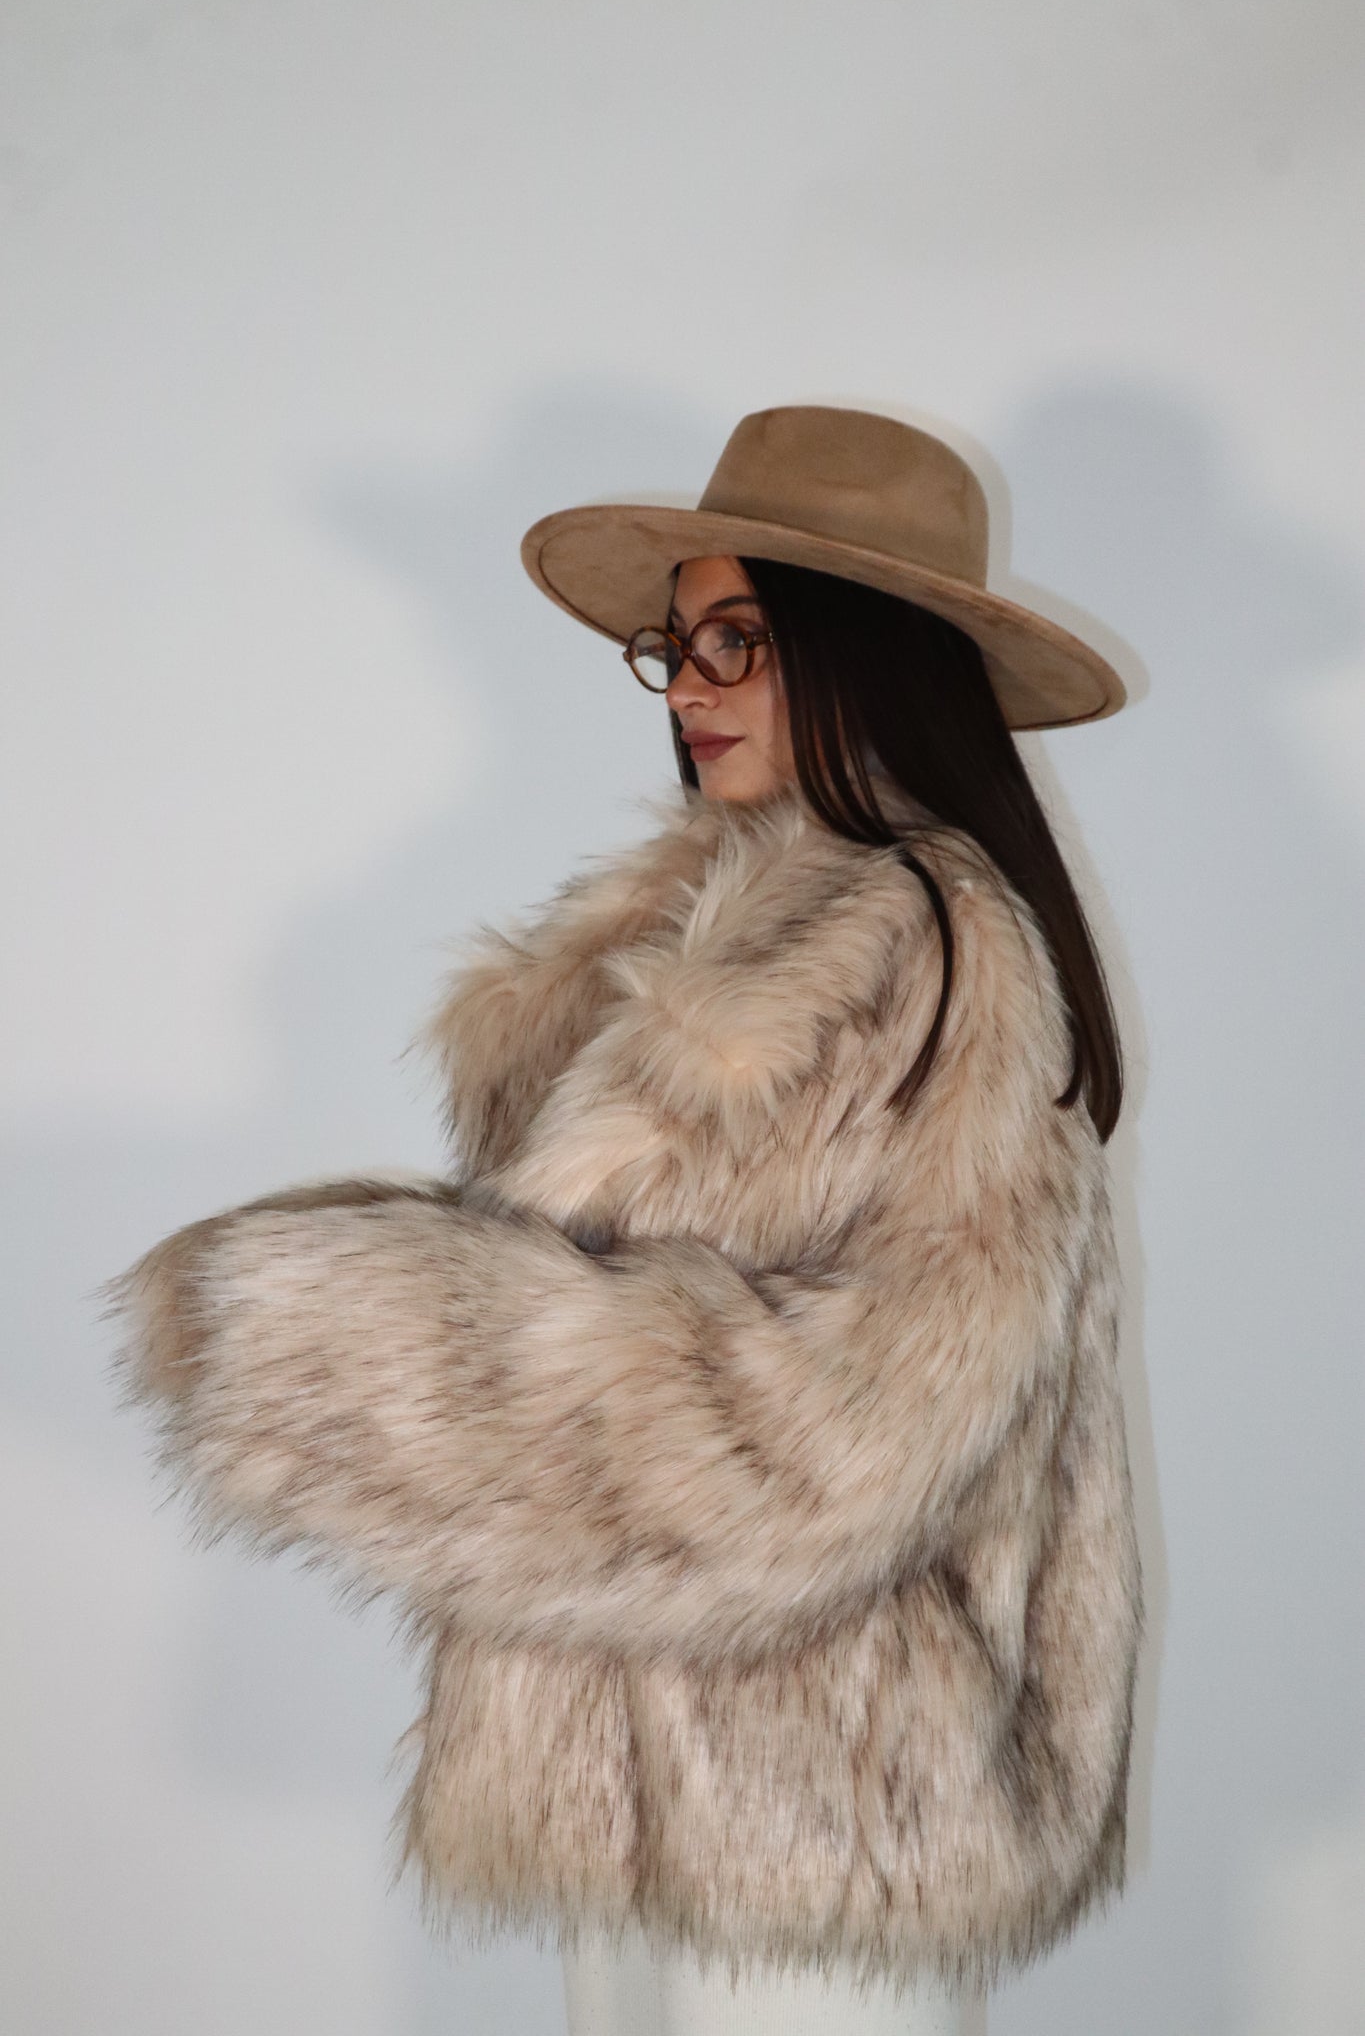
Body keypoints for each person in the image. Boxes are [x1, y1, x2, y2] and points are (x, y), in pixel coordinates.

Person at [110, 406, 1143, 2035]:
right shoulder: (697, 934)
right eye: (675, 645)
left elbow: (865, 1423)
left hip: (820, 1795)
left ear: (864, 654)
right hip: (622, 1761)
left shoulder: (930, 935)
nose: (685, 687)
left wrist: (349, 1336)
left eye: (738, 641)